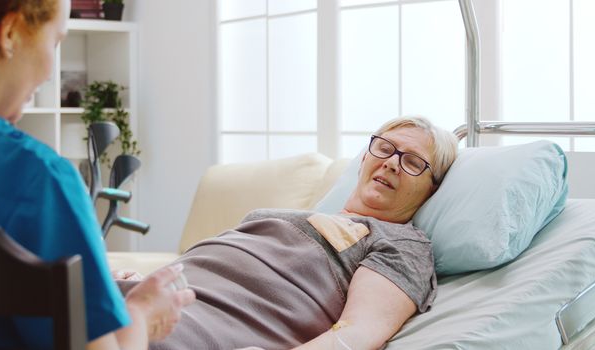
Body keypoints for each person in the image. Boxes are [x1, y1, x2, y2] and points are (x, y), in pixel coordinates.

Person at [117, 116, 459, 350]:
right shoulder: (282, 215)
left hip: (190, 330)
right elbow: (205, 270)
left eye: (413, 162)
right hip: (140, 302)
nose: (391, 162)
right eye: (385, 148)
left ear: (432, 189)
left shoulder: (402, 243)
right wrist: (148, 281)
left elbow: (357, 333)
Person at [0, 0, 195, 349]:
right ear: (10, 33)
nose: (50, 71)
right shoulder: (40, 179)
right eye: (55, 42)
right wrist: (143, 312)